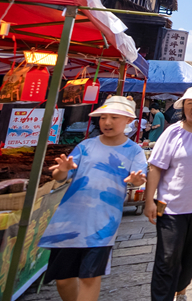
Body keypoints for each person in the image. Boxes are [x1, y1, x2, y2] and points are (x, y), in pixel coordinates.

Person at [39, 96, 147, 301]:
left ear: (128, 120)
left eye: (114, 117)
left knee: (90, 277)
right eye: (103, 117)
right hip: (69, 220)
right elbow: (61, 177)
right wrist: (62, 170)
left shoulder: (135, 151)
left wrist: (136, 180)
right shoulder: (86, 146)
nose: (107, 122)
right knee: (63, 279)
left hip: (102, 223)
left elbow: (138, 179)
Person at [145, 86, 192, 301]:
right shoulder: (172, 132)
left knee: (191, 259)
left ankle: (181, 290)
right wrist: (149, 201)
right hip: (168, 206)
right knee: (167, 257)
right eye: (190, 103)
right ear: (183, 106)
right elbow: (156, 167)